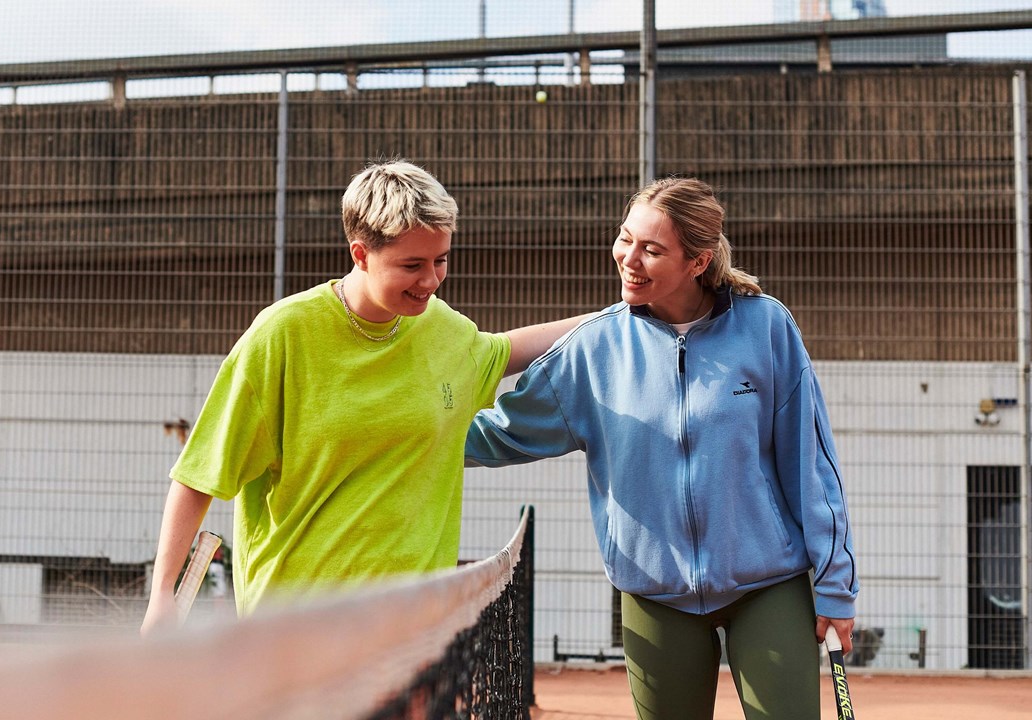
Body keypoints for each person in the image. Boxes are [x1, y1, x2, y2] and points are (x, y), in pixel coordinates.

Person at [465, 176, 858, 720]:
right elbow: (498, 432)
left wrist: (836, 585)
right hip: (654, 596)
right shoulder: (595, 348)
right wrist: (402, 443)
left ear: (697, 262)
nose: (630, 258)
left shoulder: (766, 326)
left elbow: (810, 465)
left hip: (768, 584)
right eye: (626, 239)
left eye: (652, 249)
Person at [141, 159, 585, 634]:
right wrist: (162, 595)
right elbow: (200, 474)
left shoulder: (446, 329)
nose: (431, 280)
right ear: (360, 254)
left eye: (441, 260)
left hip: (412, 623)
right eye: (412, 265)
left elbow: (509, 349)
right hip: (294, 622)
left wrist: (619, 317)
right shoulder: (282, 335)